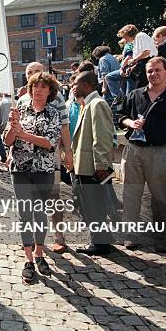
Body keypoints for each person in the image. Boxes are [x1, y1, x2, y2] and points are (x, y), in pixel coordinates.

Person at [117, 56, 166, 252]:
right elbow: (120, 116)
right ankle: (130, 236)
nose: (153, 74)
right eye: (150, 71)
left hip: (159, 151)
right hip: (133, 150)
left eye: (157, 70)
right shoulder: (135, 94)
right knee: (131, 195)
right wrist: (130, 123)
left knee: (159, 197)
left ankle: (161, 238)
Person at [4, 72, 61, 283]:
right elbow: (8, 142)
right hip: (20, 169)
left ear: (50, 91)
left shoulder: (53, 114)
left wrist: (23, 134)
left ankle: (39, 253)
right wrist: (12, 127)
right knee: (25, 214)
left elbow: (50, 142)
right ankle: (28, 259)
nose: (38, 89)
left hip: (43, 170)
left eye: (43, 87)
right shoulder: (18, 110)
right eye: (35, 86)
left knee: (39, 213)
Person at [18, 62, 73, 254]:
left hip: (50, 157)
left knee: (53, 196)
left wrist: (68, 152)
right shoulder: (21, 100)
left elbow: (64, 126)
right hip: (25, 162)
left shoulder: (55, 99)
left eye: (36, 72)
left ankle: (59, 236)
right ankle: (34, 238)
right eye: (29, 73)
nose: (33, 75)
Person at [70, 71, 116, 256]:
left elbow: (102, 138)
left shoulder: (97, 104)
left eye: (76, 84)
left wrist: (101, 168)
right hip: (85, 166)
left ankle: (100, 244)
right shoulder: (86, 104)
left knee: (95, 206)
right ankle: (103, 239)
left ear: (87, 85)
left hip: (94, 168)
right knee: (91, 205)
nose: (73, 87)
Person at [117, 24, 158, 90]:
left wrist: (134, 60)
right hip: (144, 63)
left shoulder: (140, 36)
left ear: (128, 34)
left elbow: (146, 52)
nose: (124, 39)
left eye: (124, 36)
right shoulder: (136, 40)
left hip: (148, 62)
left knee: (140, 86)